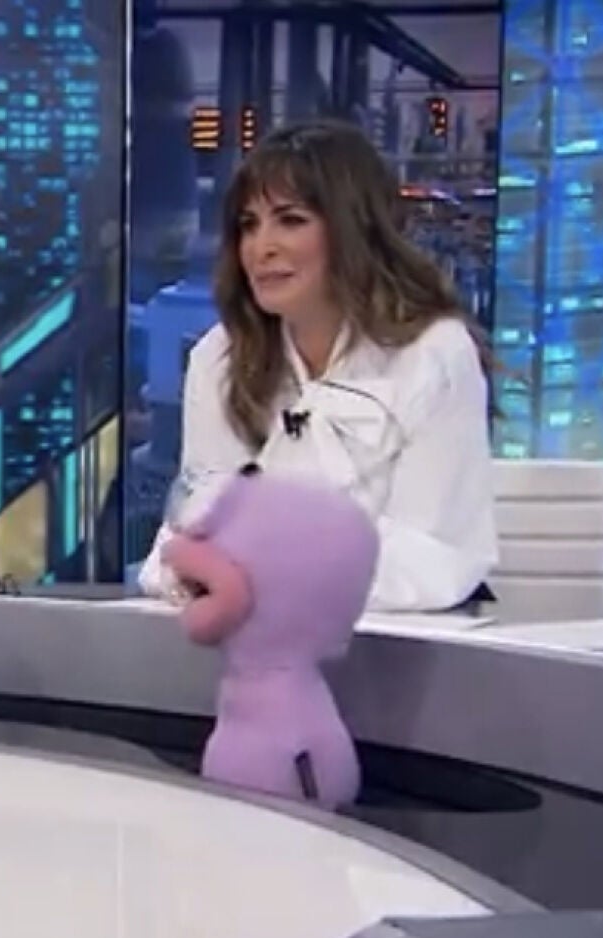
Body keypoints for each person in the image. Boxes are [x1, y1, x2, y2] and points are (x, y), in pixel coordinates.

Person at [138, 120, 500, 612]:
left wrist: (259, 559)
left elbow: (434, 561)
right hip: (244, 640)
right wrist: (191, 567)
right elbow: (186, 531)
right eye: (249, 224)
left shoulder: (433, 352)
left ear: (353, 230)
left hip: (396, 643)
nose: (261, 247)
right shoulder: (219, 358)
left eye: (290, 220)